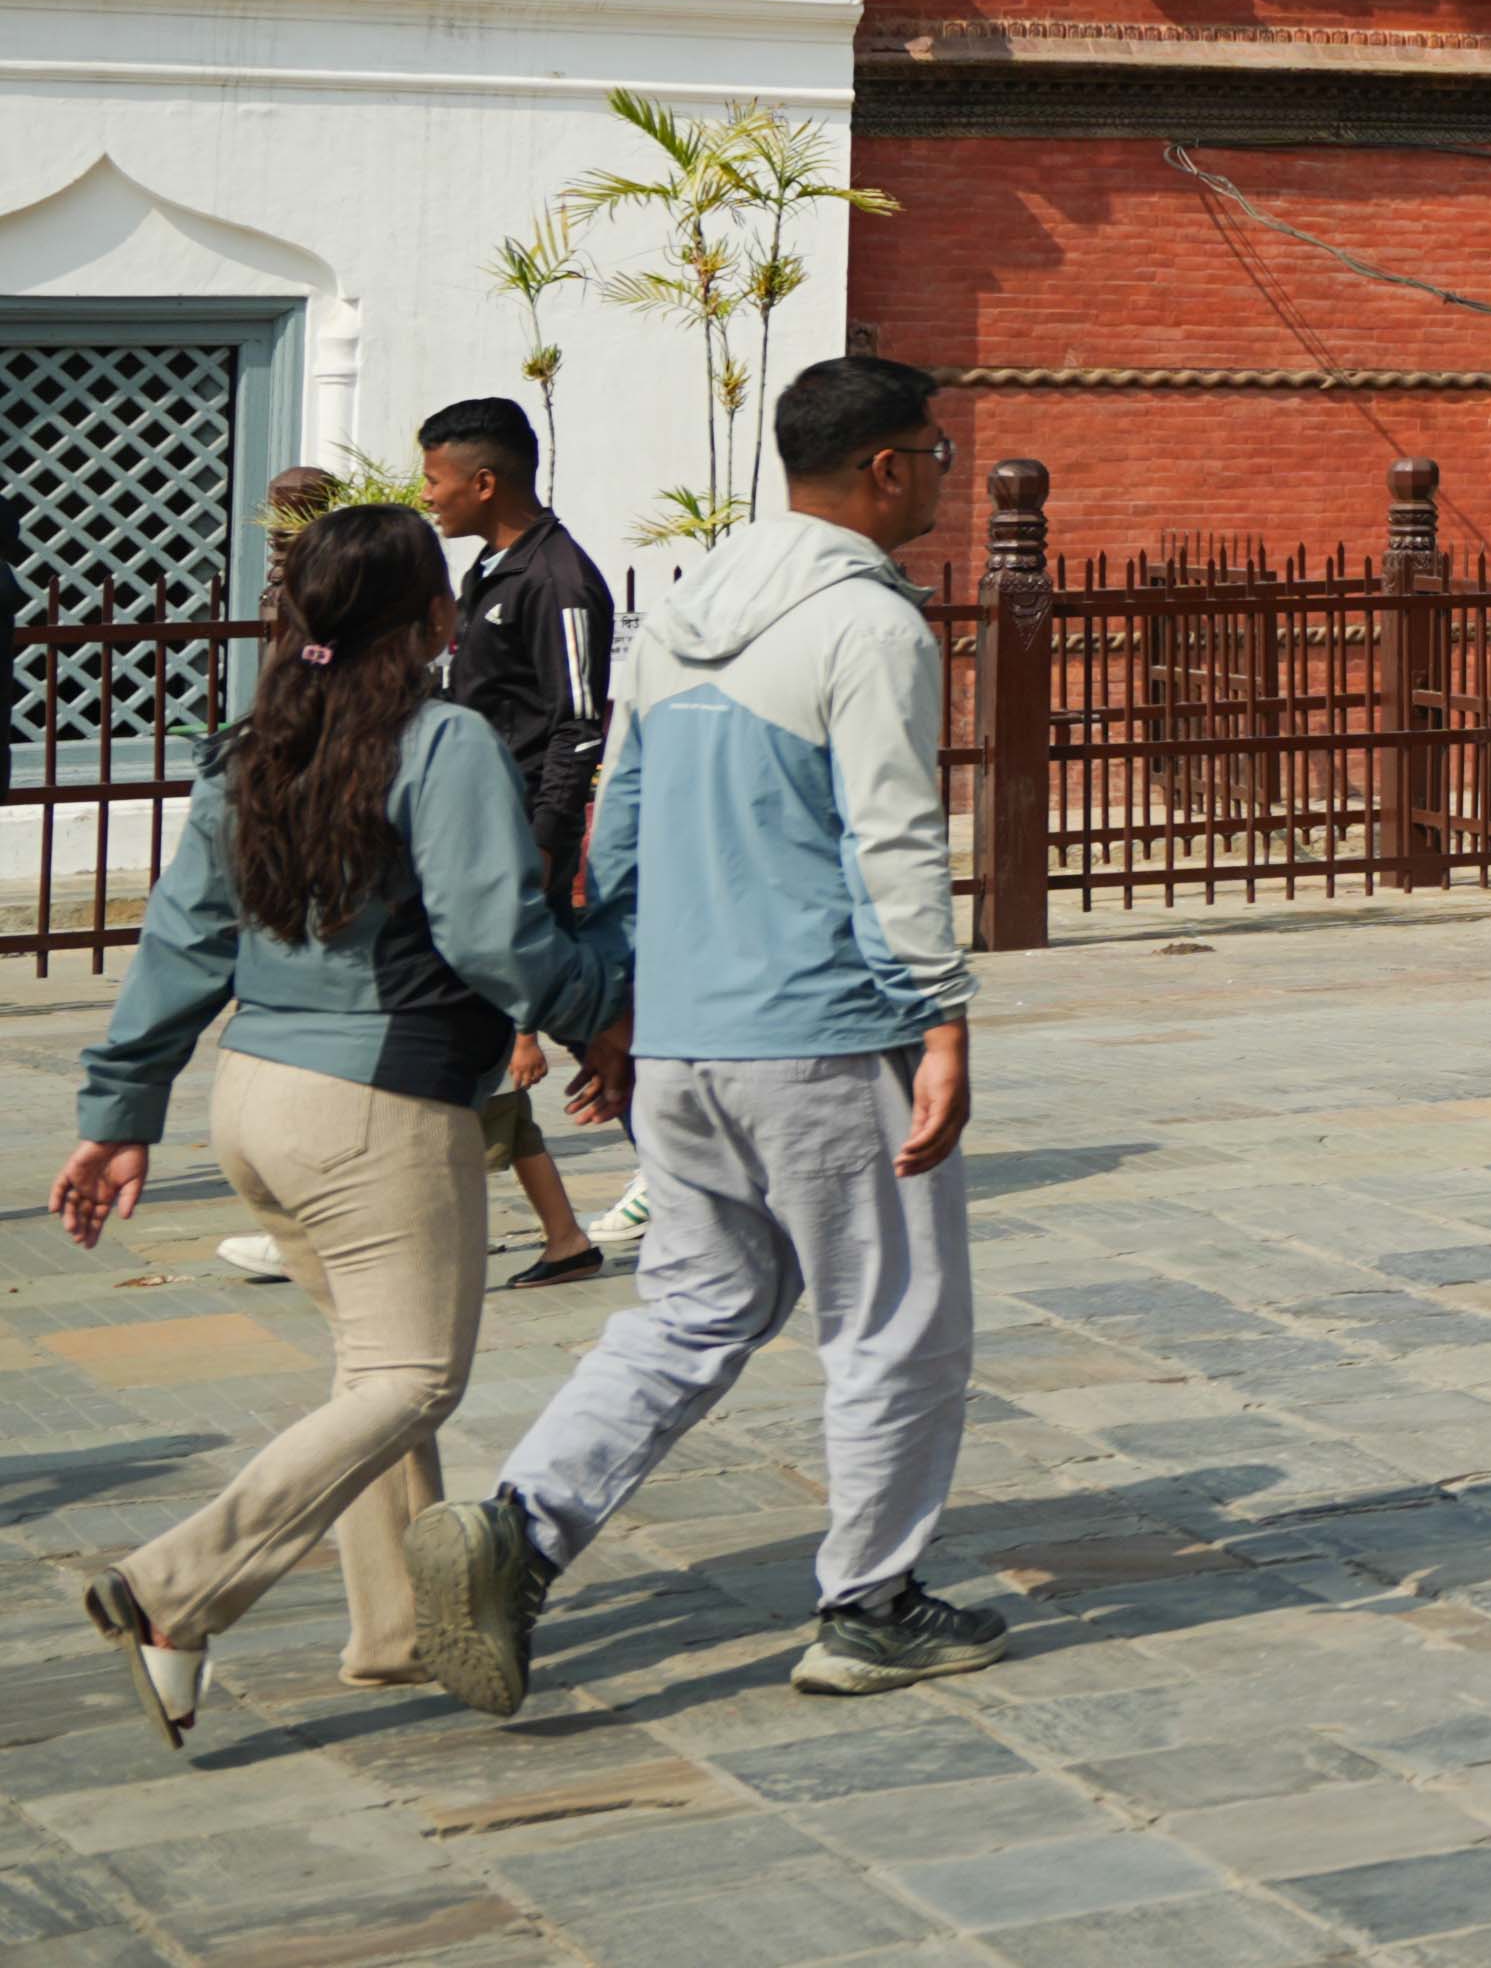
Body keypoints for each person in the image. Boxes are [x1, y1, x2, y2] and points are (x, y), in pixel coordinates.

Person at [413, 355, 1012, 1714]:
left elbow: (618, 820)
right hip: (817, 1029)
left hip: (682, 1034)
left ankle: (521, 1528)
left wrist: (615, 1005)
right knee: (893, 1320)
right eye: (936, 452)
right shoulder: (869, 626)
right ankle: (868, 1603)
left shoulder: (681, 617)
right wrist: (941, 1016)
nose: (940, 477)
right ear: (883, 468)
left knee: (696, 1304)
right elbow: (893, 835)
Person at [51, 506, 631, 1747]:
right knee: (414, 1377)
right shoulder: (444, 737)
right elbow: (493, 934)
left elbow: (184, 938)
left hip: (256, 1100)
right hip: (379, 1106)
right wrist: (599, 1008)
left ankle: (395, 1630)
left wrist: (120, 1108)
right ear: (433, 619)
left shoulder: (253, 741)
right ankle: (171, 1589)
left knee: (371, 1374)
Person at [415, 397, 618, 1288]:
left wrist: (544, 841)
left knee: (589, 1025)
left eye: (434, 478)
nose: (427, 496)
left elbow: (577, 725)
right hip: (478, 829)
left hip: (523, 842)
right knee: (538, 1021)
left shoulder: (560, 580)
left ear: (484, 480)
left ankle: (696, 1169)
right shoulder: (490, 571)